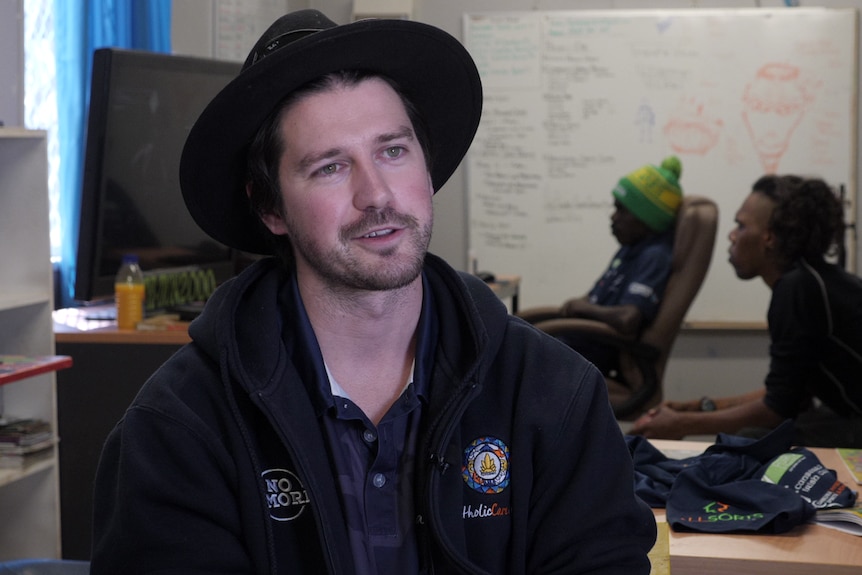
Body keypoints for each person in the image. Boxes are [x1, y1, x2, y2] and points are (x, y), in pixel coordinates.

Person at [90, 10, 655, 574]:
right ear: (270, 208)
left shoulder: (553, 395)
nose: (377, 194)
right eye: (331, 167)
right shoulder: (180, 427)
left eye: (392, 151)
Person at [631, 174, 862, 447]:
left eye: (740, 226)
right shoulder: (809, 281)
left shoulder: (797, 290)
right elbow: (789, 395)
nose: (732, 235)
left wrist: (681, 424)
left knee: (749, 441)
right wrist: (696, 407)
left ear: (769, 238)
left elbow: (776, 411)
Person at [522, 156, 683, 376]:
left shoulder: (654, 256)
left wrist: (582, 308)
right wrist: (578, 305)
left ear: (646, 219)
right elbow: (596, 297)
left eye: (622, 210)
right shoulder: (630, 248)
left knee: (513, 361)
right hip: (575, 343)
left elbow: (628, 320)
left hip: (590, 354)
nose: (613, 217)